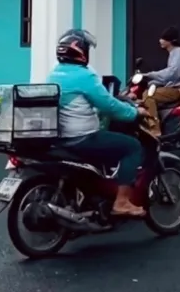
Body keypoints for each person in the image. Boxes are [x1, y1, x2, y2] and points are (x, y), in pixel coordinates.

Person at [48, 30, 147, 218]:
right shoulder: (84, 76)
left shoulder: (55, 73)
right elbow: (108, 105)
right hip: (81, 138)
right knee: (132, 147)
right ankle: (122, 202)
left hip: (61, 138)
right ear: (81, 52)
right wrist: (134, 112)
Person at [141, 26, 180, 136]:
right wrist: (153, 81)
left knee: (149, 96)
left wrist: (151, 75)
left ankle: (155, 130)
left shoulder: (178, 52)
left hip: (177, 89)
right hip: (173, 86)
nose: (160, 40)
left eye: (163, 38)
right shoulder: (173, 53)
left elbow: (173, 73)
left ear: (170, 41)